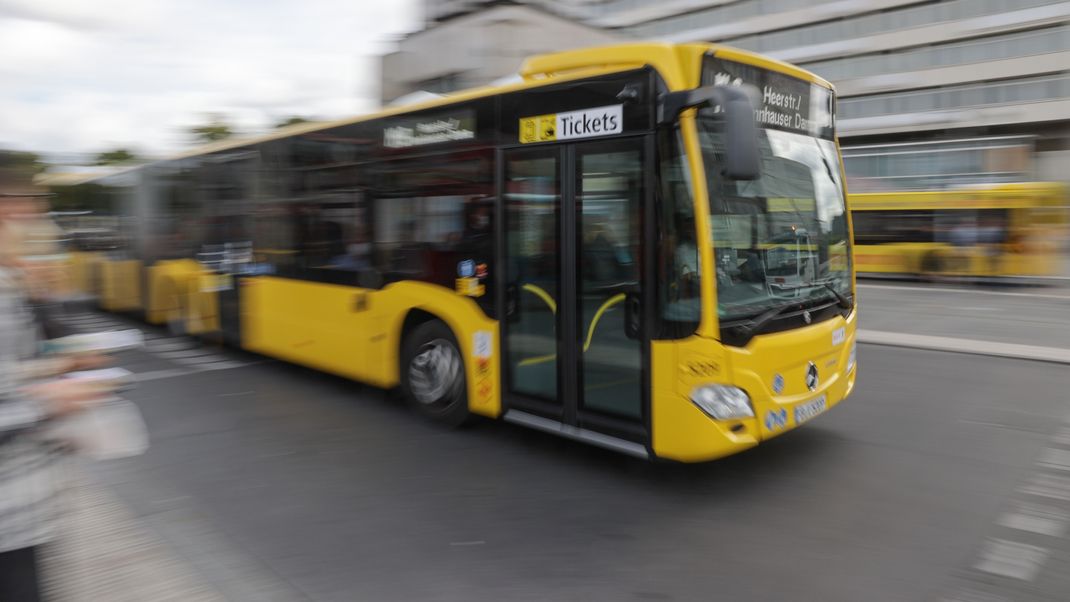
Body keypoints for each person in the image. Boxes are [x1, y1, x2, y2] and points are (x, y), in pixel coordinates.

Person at [0, 166, 106, 601]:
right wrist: (50, 400)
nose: (39, 228)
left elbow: (44, 344)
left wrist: (66, 355)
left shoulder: (15, 284)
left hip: (24, 506)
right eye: (25, 217)